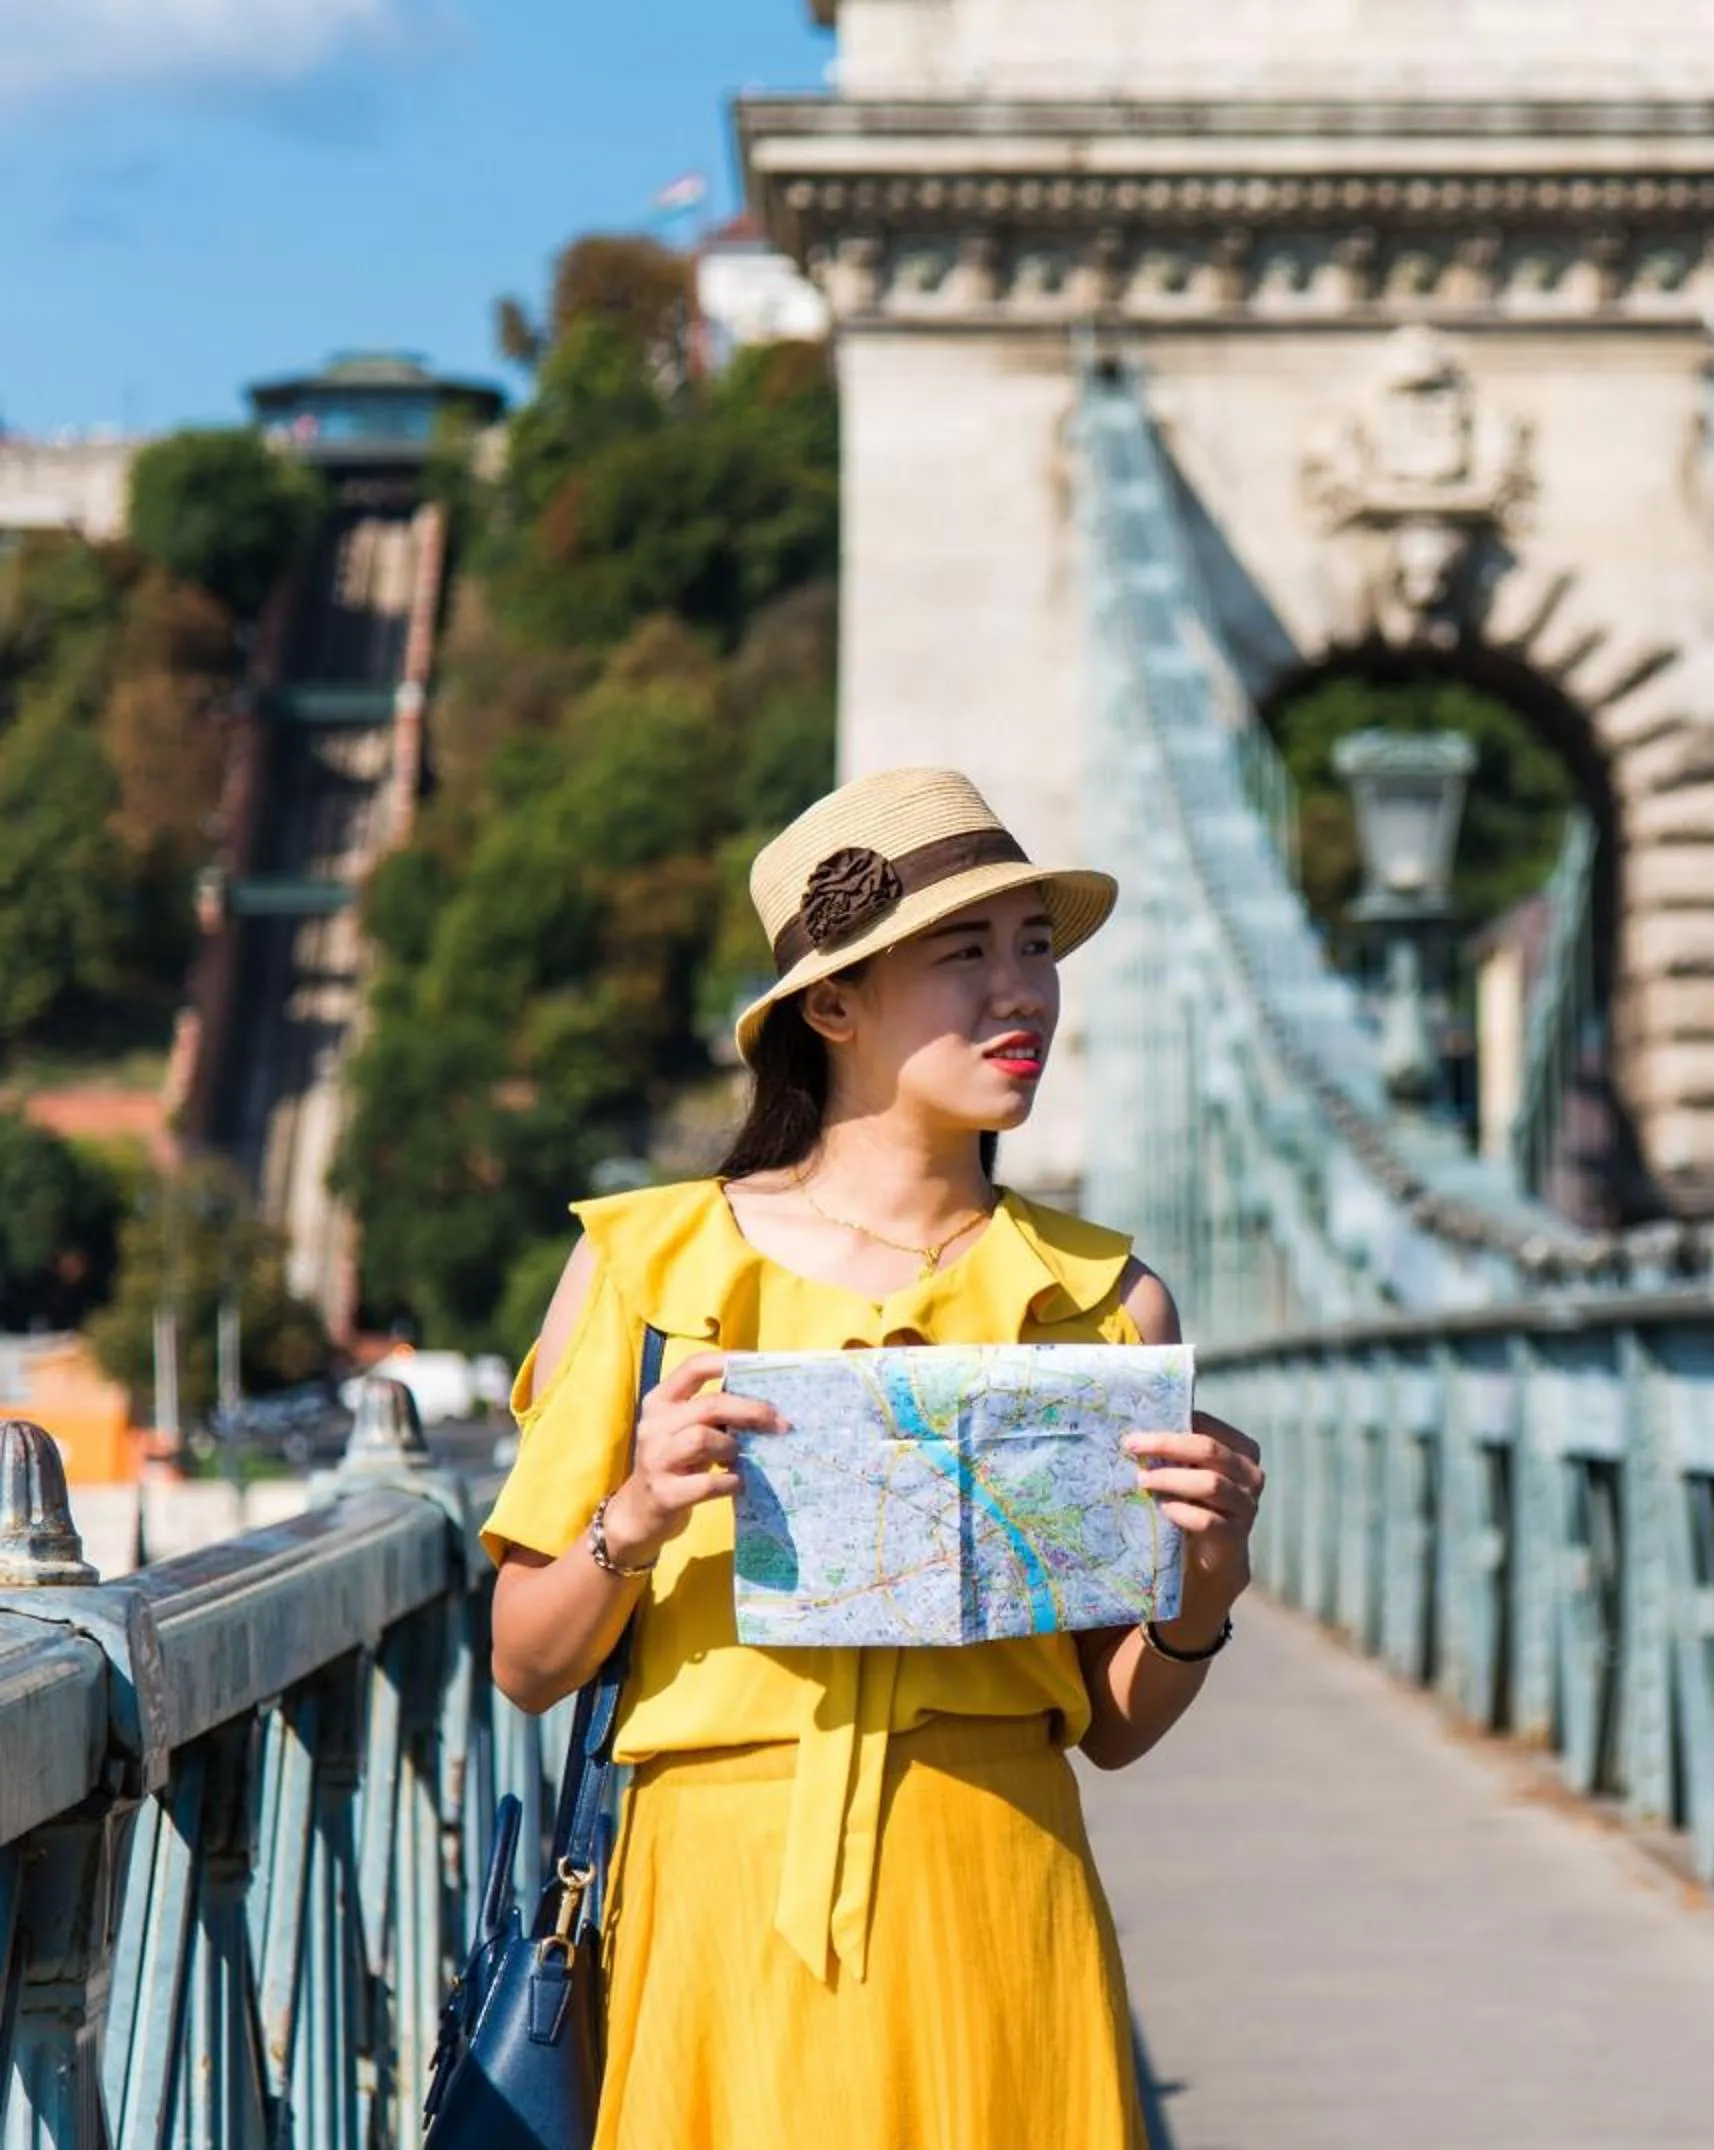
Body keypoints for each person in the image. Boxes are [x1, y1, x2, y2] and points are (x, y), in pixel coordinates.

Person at [481, 767, 1264, 2149]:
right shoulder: (651, 1270)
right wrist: (634, 1517)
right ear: (831, 1005)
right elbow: (526, 1662)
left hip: (998, 1897)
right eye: (966, 953)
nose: (1023, 994)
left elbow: (1115, 1725)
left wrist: (1206, 1584)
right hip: (719, 1912)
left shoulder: (1103, 1304)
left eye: (1037, 947)